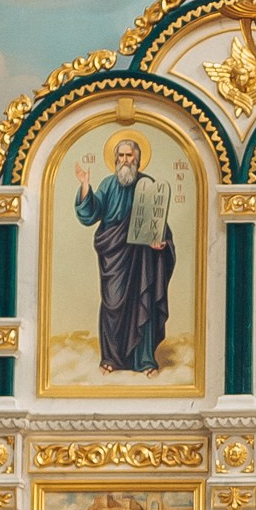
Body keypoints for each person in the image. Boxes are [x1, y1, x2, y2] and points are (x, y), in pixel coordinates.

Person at [75, 132, 176, 377]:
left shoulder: (148, 184)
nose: (124, 160)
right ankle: (111, 358)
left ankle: (145, 360)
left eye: (129, 156)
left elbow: (158, 222)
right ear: (115, 159)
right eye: (120, 156)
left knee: (145, 301)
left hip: (142, 258)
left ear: (137, 160)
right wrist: (86, 187)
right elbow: (92, 213)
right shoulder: (108, 185)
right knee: (112, 304)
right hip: (114, 256)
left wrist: (160, 241)